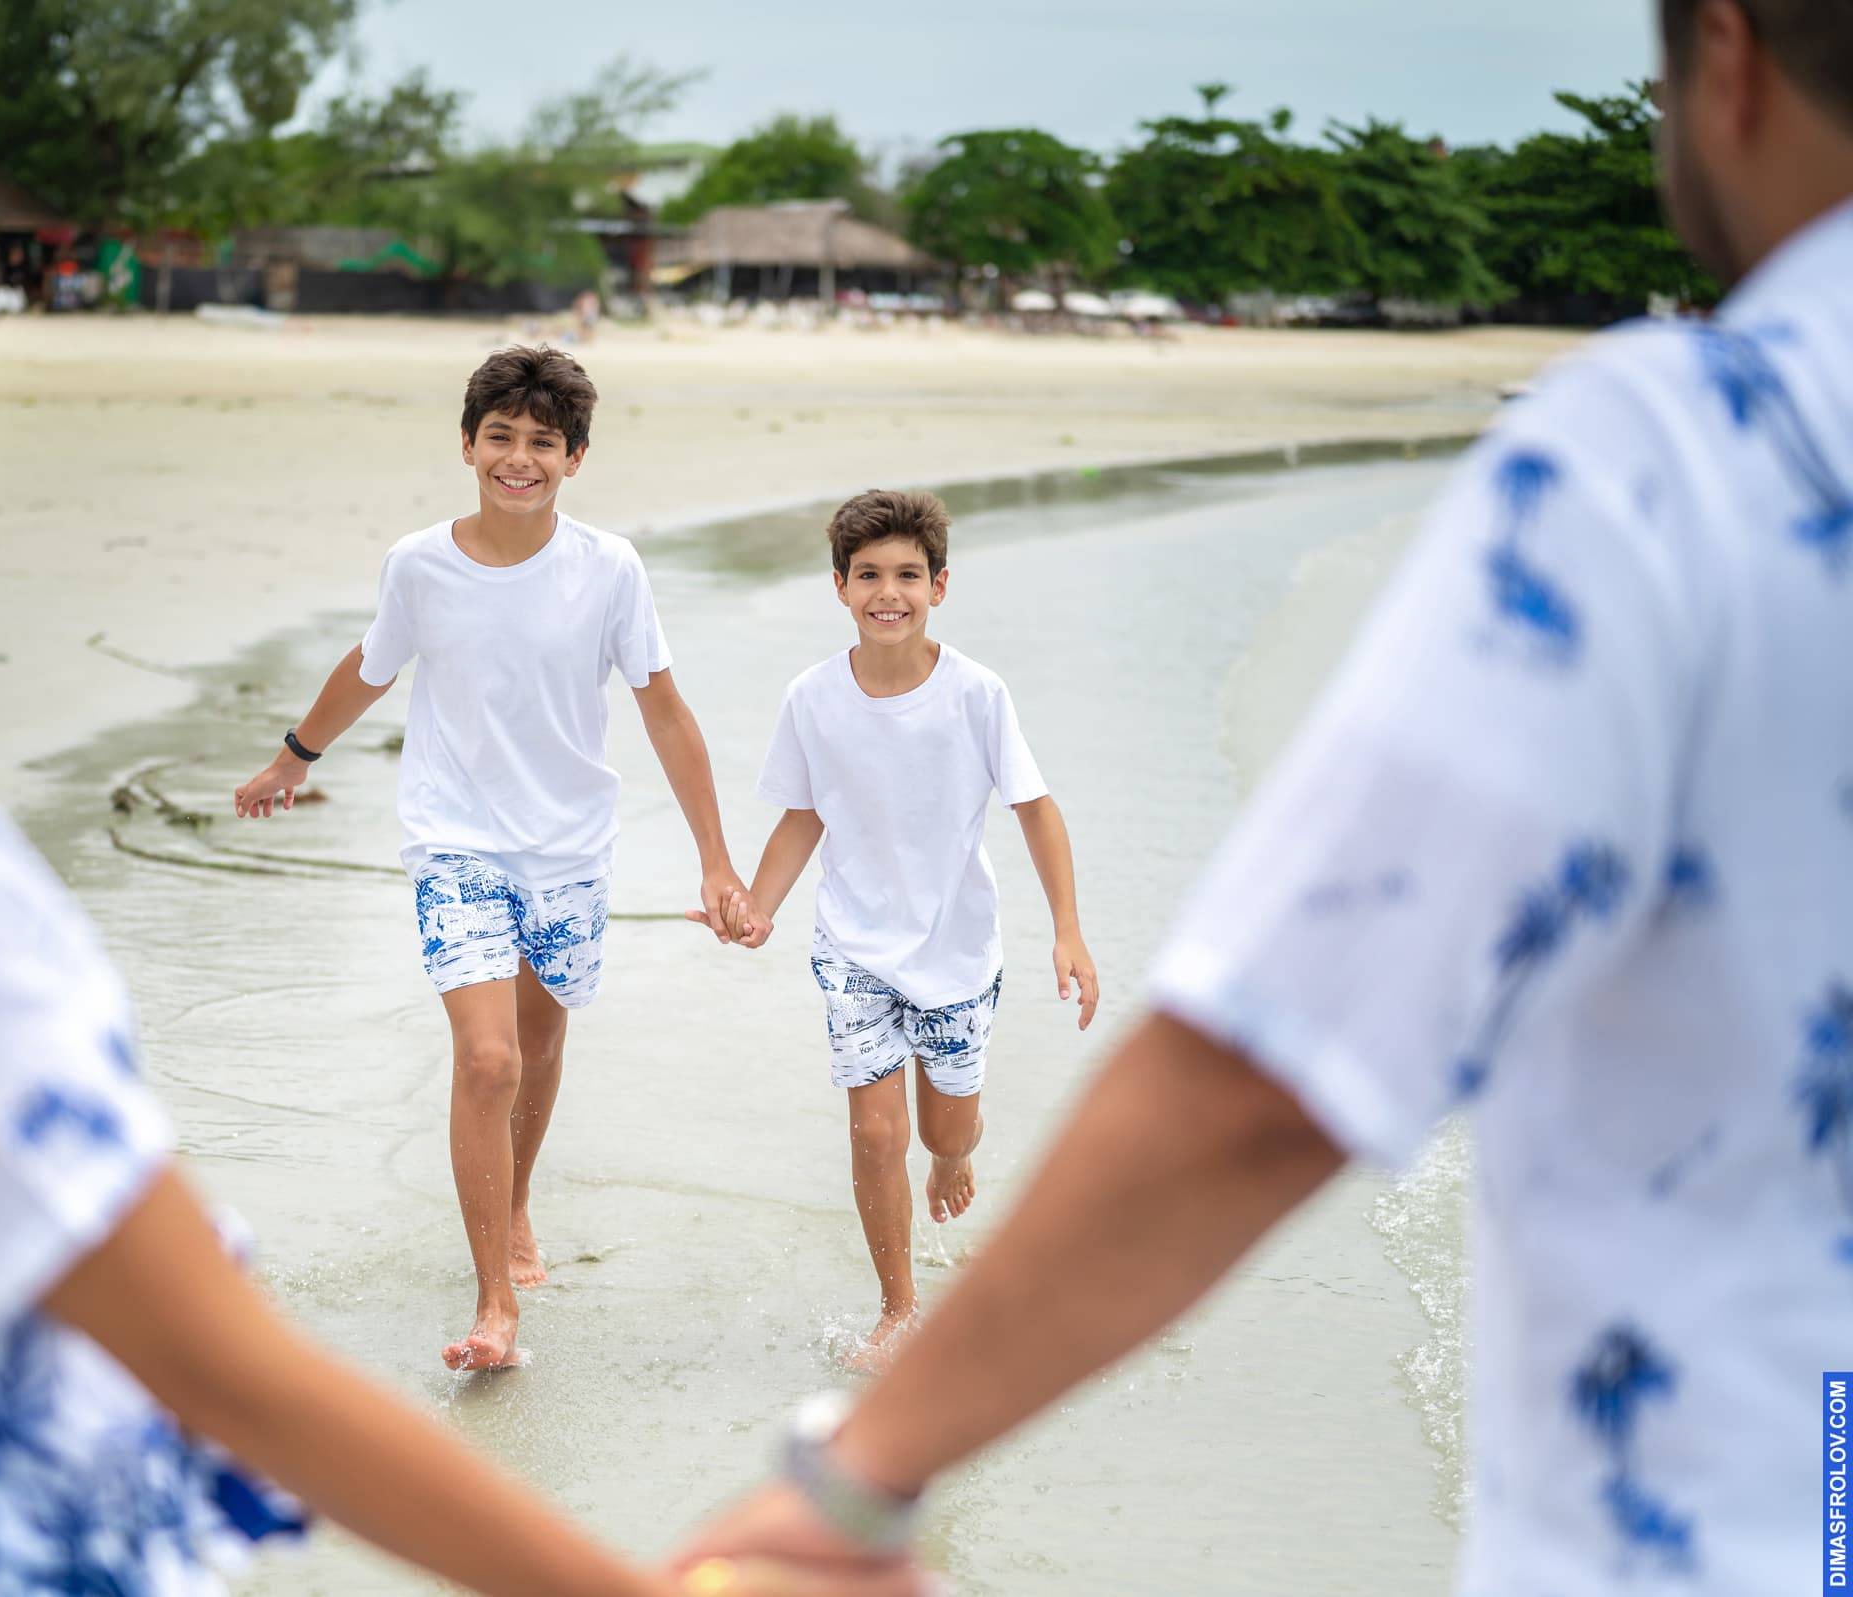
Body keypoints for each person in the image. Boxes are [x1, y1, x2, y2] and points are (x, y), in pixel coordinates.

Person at [0, 110, 915, 1597]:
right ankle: (500, 1274)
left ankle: (511, 1231)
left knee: (525, 1052)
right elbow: (235, 1379)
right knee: (493, 1058)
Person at [677, 0, 1853, 1591]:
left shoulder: (1683, 454)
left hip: (1725, 1501)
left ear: (1726, 56)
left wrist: (865, 1475)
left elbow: (1272, 1071)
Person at [232, 345, 753, 1371]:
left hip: (569, 844)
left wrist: (717, 861)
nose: (520, 459)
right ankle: (493, 1306)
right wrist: (294, 756)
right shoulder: (420, 563)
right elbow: (371, 665)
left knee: (540, 1045)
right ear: (467, 445)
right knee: (488, 1058)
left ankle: (515, 1204)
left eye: (543, 443)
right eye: (501, 437)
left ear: (575, 458)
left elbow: (664, 710)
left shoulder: (610, 568)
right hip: (454, 837)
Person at [717, 490, 1098, 1366]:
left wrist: (1068, 930)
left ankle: (956, 1154)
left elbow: (1036, 810)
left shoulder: (977, 694)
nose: (888, 593)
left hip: (956, 949)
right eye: (868, 576)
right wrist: (760, 907)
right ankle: (898, 1309)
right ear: (840, 586)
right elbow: (803, 815)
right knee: (876, 1132)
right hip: (854, 947)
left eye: (908, 576)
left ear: (940, 586)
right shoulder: (812, 697)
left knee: (942, 1132)